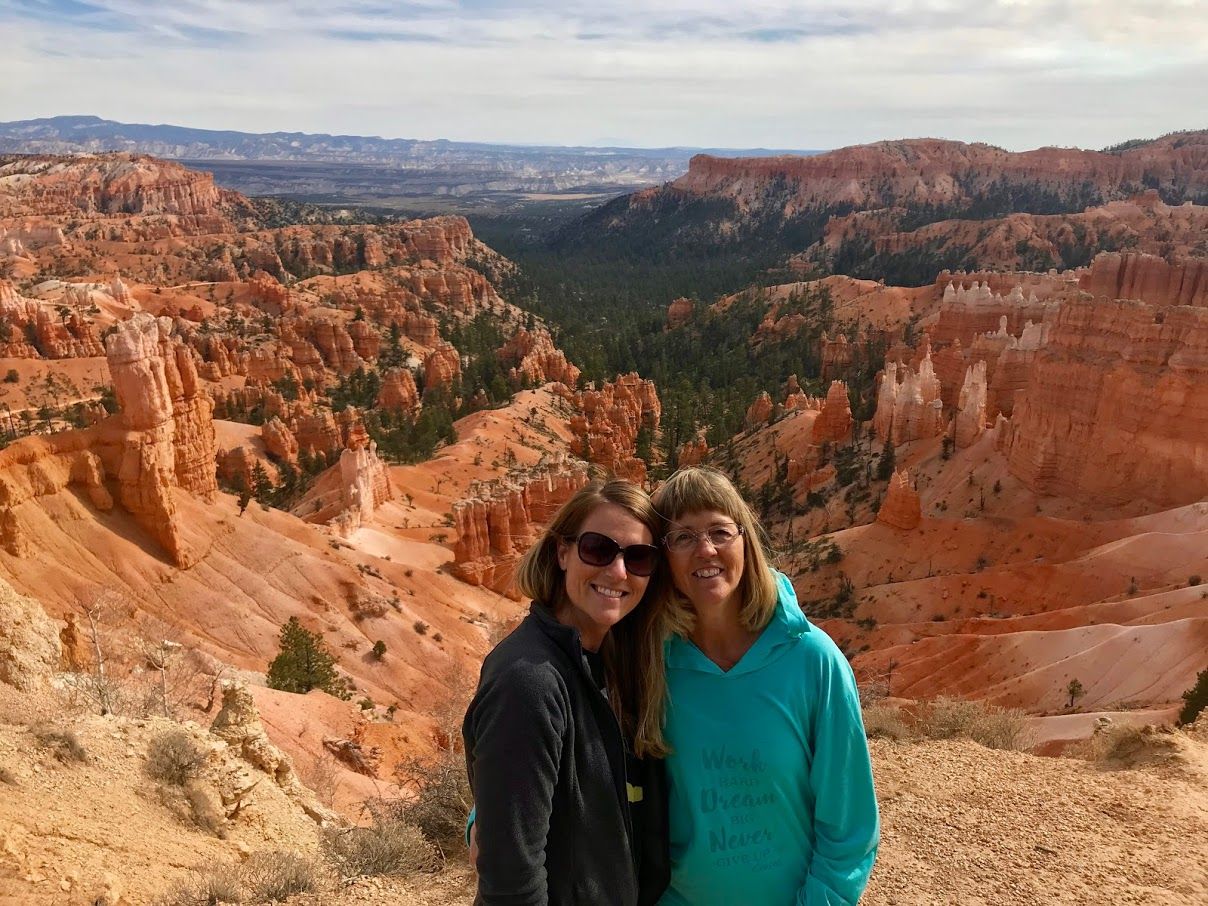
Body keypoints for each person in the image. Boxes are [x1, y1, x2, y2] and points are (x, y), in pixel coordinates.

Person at [651, 467, 879, 905]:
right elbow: (576, 751)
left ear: (745, 540)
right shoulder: (652, 664)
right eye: (682, 537)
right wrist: (490, 817)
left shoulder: (813, 660)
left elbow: (849, 827)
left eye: (720, 531)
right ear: (663, 557)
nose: (705, 550)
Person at [462, 479, 671, 905]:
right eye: (598, 549)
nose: (618, 571)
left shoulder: (612, 663)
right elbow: (511, 883)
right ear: (561, 552)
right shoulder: (529, 680)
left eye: (639, 558)